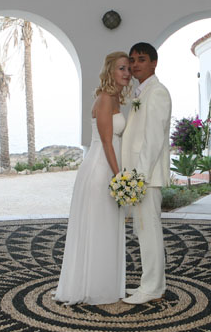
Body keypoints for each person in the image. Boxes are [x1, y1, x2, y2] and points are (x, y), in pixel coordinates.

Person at [54, 51, 132, 304]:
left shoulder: (115, 98)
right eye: (121, 68)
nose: (127, 73)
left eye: (128, 68)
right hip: (101, 169)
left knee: (106, 228)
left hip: (109, 166)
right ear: (110, 71)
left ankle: (102, 284)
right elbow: (107, 142)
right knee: (100, 227)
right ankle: (94, 288)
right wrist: (120, 178)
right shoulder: (105, 99)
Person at [121, 42, 172, 305]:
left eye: (141, 59)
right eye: (132, 60)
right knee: (143, 232)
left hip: (146, 177)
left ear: (154, 62)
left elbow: (153, 140)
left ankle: (152, 288)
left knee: (148, 231)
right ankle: (150, 284)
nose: (135, 64)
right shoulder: (141, 92)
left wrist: (137, 179)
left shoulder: (157, 92)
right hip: (138, 175)